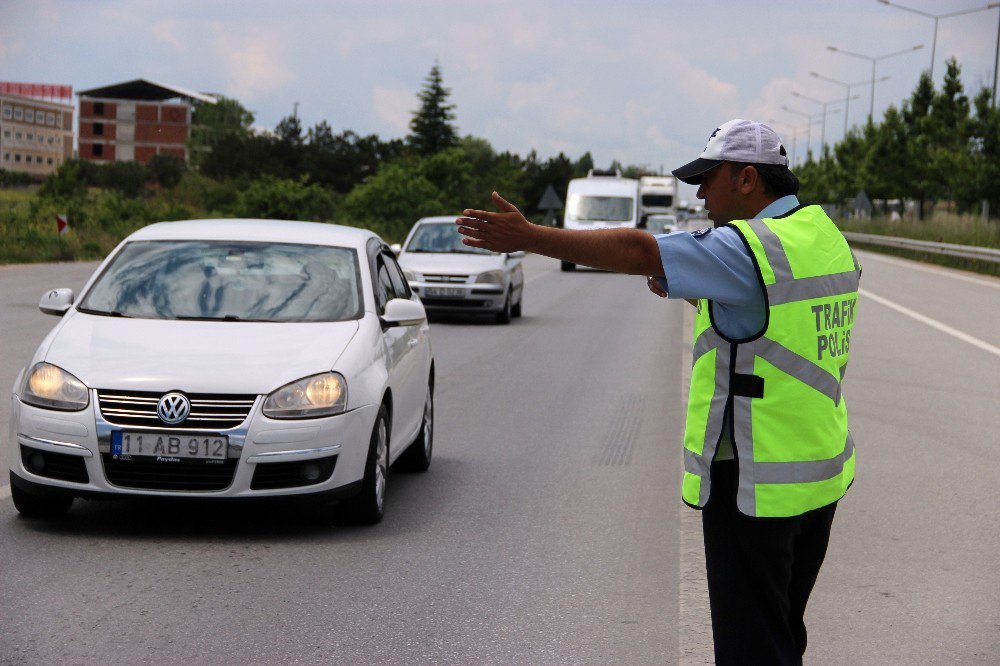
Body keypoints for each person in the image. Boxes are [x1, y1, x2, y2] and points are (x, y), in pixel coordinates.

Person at [456, 119, 860, 665]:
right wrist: (708, 298)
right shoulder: (822, 236)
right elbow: (781, 326)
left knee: (752, 649)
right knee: (783, 634)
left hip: (754, 482)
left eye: (707, 178)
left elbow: (641, 250)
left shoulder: (749, 246)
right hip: (816, 479)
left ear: (746, 179)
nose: (699, 194)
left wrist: (530, 238)